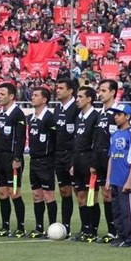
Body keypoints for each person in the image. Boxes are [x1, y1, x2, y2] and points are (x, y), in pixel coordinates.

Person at [0, 82, 26, 238]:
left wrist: (17, 158)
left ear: (11, 96)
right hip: (0, 158)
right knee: (2, 193)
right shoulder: (0, 113)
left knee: (14, 193)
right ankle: (5, 226)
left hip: (12, 158)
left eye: (2, 94)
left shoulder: (18, 114)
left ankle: (21, 227)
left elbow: (21, 138)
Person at [105, 103, 131, 248]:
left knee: (127, 210)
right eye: (115, 114)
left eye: (119, 114)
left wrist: (129, 181)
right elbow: (111, 157)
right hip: (114, 178)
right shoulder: (115, 134)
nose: (116, 117)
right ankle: (121, 236)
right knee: (117, 210)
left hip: (125, 178)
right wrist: (108, 178)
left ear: (127, 116)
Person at [26, 87, 57, 239]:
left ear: (44, 100)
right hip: (34, 160)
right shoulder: (31, 117)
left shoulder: (50, 118)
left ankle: (52, 227)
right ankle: (39, 227)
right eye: (32, 95)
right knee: (36, 195)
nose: (32, 97)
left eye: (36, 95)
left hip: (46, 161)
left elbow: (55, 139)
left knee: (48, 194)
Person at [70, 86, 99, 242]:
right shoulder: (78, 117)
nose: (77, 99)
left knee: (91, 197)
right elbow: (76, 142)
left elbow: (96, 143)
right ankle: (85, 228)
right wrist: (73, 163)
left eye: (81, 96)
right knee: (80, 196)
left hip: (89, 161)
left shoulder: (95, 116)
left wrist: (94, 163)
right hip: (78, 161)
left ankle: (92, 230)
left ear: (89, 99)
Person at [93, 79, 119, 242]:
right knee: (106, 195)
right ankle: (112, 231)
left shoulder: (118, 113)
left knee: (116, 195)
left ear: (113, 92)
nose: (100, 93)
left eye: (103, 90)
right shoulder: (100, 114)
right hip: (100, 159)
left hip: (115, 160)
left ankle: (121, 230)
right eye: (99, 90)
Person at [53, 78, 79, 235]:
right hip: (59, 156)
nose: (57, 90)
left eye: (61, 88)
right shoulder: (57, 109)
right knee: (64, 191)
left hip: (73, 156)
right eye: (57, 88)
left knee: (80, 193)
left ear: (70, 91)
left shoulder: (77, 108)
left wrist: (75, 160)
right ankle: (66, 227)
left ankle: (88, 228)